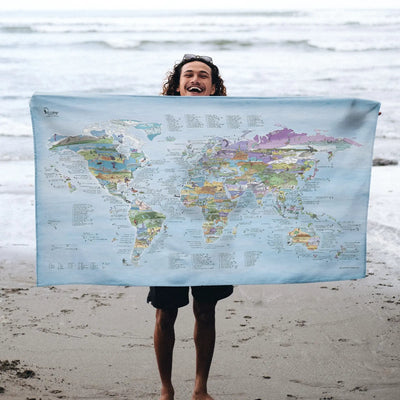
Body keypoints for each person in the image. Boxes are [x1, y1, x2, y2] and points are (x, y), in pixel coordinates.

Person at [147, 54, 233, 400]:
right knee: (165, 312)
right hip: (169, 231)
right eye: (188, 75)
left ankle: (200, 387)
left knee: (205, 310)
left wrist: (352, 118)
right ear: (177, 84)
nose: (195, 79)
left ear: (212, 88)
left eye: (203, 76)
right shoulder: (158, 120)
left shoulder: (226, 123)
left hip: (211, 228)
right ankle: (166, 388)